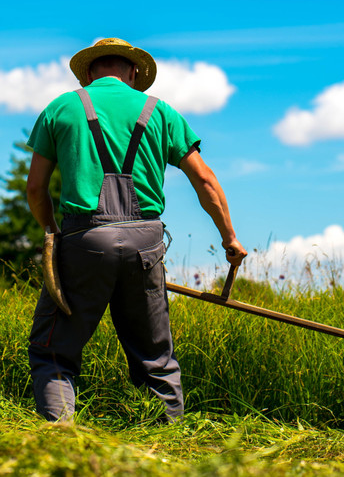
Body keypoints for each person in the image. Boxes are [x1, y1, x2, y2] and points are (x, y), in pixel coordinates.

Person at [26, 37, 247, 422]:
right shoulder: (160, 112)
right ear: (132, 73)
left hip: (83, 240)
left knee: (54, 350)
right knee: (155, 357)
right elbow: (206, 181)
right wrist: (229, 238)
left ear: (91, 72)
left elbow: (35, 188)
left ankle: (58, 440)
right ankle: (168, 448)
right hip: (146, 243)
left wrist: (53, 235)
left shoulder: (61, 108)